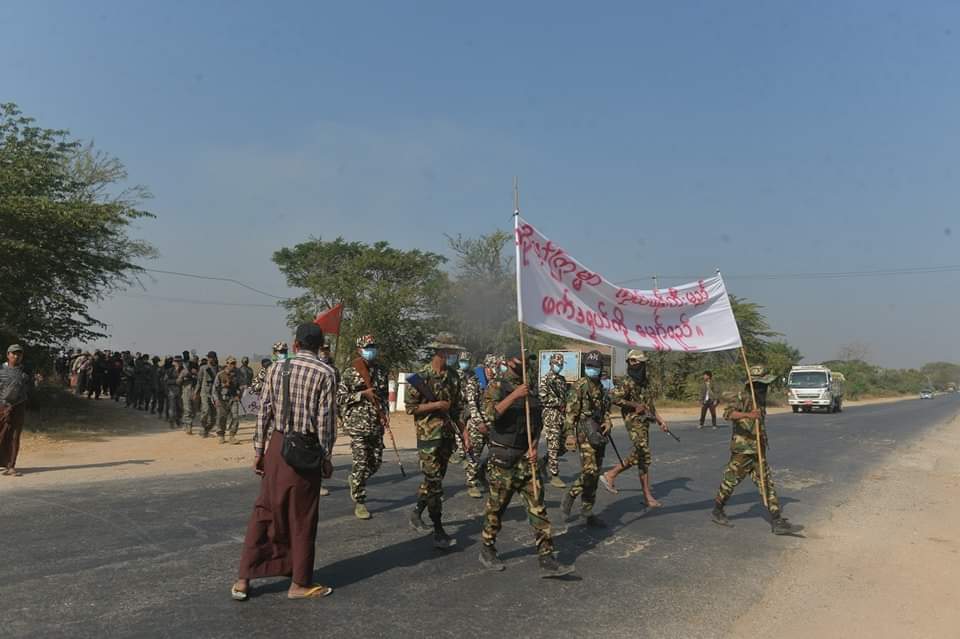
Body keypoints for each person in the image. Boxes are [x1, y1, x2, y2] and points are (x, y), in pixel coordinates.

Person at [232, 322, 337, 601]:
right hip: (306, 449)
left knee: (264, 510)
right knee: (301, 516)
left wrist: (259, 450)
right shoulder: (326, 372)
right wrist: (326, 456)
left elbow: (263, 411)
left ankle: (244, 579)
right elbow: (325, 421)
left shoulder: (276, 368)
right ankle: (299, 583)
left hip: (277, 446)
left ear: (295, 345)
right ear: (320, 345)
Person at [478, 354, 573, 576]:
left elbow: (537, 422)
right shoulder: (497, 386)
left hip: (525, 459)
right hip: (503, 458)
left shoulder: (529, 389)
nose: (525, 365)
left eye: (528, 362)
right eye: (521, 360)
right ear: (510, 362)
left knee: (538, 509)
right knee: (496, 508)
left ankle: (546, 557)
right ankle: (487, 548)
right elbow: (489, 415)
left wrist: (534, 445)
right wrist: (513, 395)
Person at [711, 365, 796, 535]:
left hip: (758, 449)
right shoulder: (743, 397)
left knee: (766, 483)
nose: (766, 387)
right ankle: (718, 509)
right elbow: (727, 414)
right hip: (743, 450)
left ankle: (776, 519)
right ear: (755, 384)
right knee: (730, 481)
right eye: (763, 384)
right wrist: (749, 415)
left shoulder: (760, 399)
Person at [404, 333, 464, 549]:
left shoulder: (454, 377)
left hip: (447, 437)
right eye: (451, 352)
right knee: (435, 484)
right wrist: (436, 406)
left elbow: (457, 409)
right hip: (428, 437)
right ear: (441, 352)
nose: (455, 355)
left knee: (435, 480)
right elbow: (411, 407)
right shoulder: (420, 377)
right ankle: (438, 530)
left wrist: (465, 434)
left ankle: (417, 512)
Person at [601, 350, 669, 507]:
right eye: (638, 362)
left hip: (645, 421)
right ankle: (644, 494)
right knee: (643, 454)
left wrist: (660, 421)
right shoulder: (627, 382)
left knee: (639, 455)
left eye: (642, 362)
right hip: (633, 421)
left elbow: (649, 404)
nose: (641, 365)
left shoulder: (644, 381)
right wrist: (634, 405)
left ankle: (612, 475)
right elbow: (613, 397)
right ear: (631, 362)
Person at [337, 334, 389, 520]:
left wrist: (385, 416)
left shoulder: (382, 371)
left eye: (373, 346)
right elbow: (340, 398)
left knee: (375, 462)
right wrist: (361, 395)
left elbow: (383, 397)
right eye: (367, 347)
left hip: (375, 423)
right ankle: (360, 501)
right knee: (361, 461)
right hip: (357, 425)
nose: (371, 350)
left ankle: (356, 479)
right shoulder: (351, 372)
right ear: (359, 350)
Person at [561, 350, 611, 527]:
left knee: (595, 475)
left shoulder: (602, 388)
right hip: (584, 433)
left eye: (595, 366)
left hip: (599, 434)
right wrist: (569, 435)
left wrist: (608, 422)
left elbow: (606, 411)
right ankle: (572, 494)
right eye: (589, 366)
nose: (592, 369)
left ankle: (587, 511)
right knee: (589, 471)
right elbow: (570, 413)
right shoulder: (580, 386)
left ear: (600, 368)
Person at [462, 353, 495, 499]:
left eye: (496, 367)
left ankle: (484, 473)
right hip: (477, 425)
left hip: (493, 426)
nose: (494, 371)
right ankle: (472, 483)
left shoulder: (497, 383)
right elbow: (472, 405)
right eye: (492, 367)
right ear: (486, 367)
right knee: (474, 456)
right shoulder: (474, 382)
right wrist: (479, 422)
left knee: (495, 454)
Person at [539, 353, 570, 489]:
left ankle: (544, 461)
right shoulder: (545, 380)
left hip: (562, 416)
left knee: (563, 446)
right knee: (553, 444)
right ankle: (554, 475)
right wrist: (559, 402)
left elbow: (565, 397)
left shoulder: (562, 380)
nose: (559, 366)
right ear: (551, 364)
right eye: (557, 364)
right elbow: (543, 398)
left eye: (561, 364)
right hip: (551, 415)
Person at [0, 344, 32, 476]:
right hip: (1, 406)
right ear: (8, 355)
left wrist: (16, 404)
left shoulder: (25, 373)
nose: (16, 356)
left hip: (18, 407)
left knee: (14, 437)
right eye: (13, 353)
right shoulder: (1, 371)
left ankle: (11, 465)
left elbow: (28, 391)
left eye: (19, 354)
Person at [214, 356, 242, 444]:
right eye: (231, 363)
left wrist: (239, 394)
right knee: (222, 418)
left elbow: (241, 386)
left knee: (235, 417)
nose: (232, 365)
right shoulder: (220, 374)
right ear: (227, 364)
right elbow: (215, 389)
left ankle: (232, 436)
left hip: (233, 398)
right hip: (222, 399)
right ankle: (221, 435)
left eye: (234, 363)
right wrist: (216, 399)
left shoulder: (238, 374)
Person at [195, 351, 219, 437]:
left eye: (212, 357)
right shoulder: (203, 368)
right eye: (209, 357)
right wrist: (196, 393)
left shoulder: (217, 368)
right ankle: (202, 427)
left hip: (214, 394)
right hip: (204, 392)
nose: (210, 359)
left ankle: (207, 429)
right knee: (205, 410)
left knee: (214, 415)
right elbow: (199, 381)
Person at [178, 359, 199, 434]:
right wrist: (184, 378)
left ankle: (186, 422)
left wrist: (195, 376)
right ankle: (188, 426)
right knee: (187, 409)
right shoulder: (183, 371)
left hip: (195, 392)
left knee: (194, 411)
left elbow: (200, 381)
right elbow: (178, 382)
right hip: (186, 392)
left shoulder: (196, 372)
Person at [165, 356, 185, 429]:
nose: (178, 363)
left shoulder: (184, 370)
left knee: (180, 408)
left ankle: (178, 420)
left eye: (179, 361)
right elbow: (166, 380)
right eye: (176, 361)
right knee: (172, 408)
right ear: (174, 362)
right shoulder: (169, 370)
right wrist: (175, 381)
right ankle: (171, 422)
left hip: (181, 391)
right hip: (172, 391)